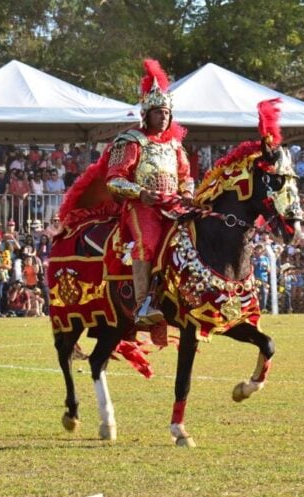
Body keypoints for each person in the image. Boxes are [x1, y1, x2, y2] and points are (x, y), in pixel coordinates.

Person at [105, 59, 194, 326]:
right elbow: (114, 179)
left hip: (175, 205)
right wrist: (140, 193)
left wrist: (188, 193)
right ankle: (143, 303)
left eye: (166, 113)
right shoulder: (130, 141)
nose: (163, 116)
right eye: (158, 112)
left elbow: (185, 177)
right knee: (148, 243)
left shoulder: (176, 146)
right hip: (142, 207)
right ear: (146, 115)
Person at [252, 244, 271, 312]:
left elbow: (269, 269)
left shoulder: (266, 259)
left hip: (264, 278)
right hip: (256, 278)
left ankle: (263, 308)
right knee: (256, 293)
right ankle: (255, 308)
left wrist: (265, 267)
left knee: (264, 293)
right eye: (257, 249)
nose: (258, 250)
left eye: (259, 249)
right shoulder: (253, 259)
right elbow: (252, 269)